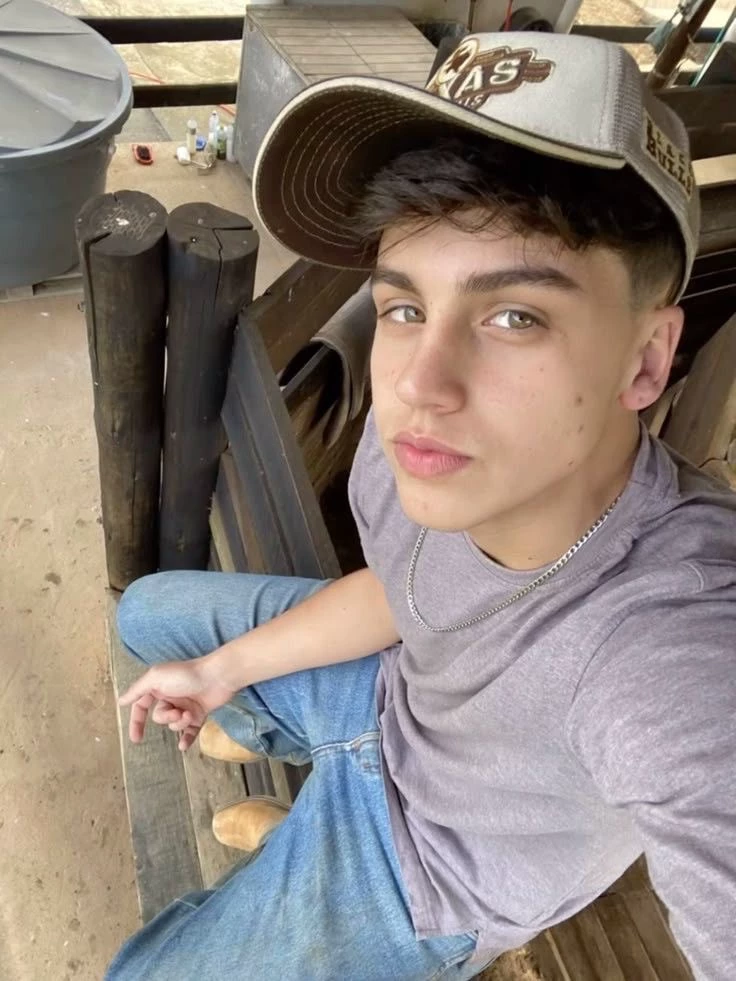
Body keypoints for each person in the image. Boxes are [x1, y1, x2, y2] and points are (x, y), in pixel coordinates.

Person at [106, 31, 735, 981]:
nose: (419, 384)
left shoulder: (673, 633)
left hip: (430, 869)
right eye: (404, 306)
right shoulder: (429, 443)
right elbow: (407, 591)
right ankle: (294, 805)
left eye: (515, 315)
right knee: (148, 616)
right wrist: (221, 668)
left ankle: (306, 854)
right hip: (389, 697)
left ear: (646, 361)